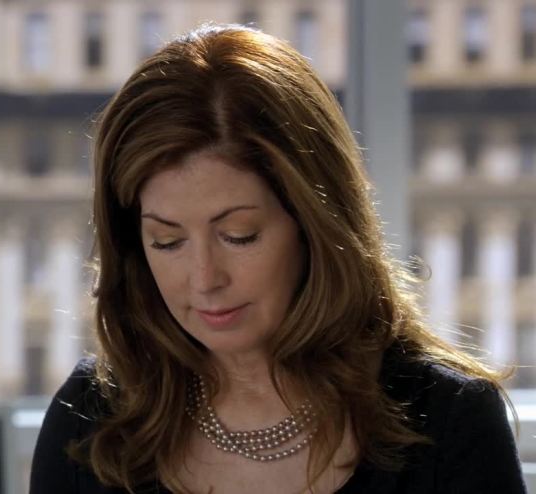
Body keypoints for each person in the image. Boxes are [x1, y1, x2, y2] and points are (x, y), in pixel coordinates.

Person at [30, 24, 527, 494]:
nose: (204, 279)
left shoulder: (450, 421)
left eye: (239, 236)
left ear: (316, 225)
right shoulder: (90, 418)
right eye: (166, 241)